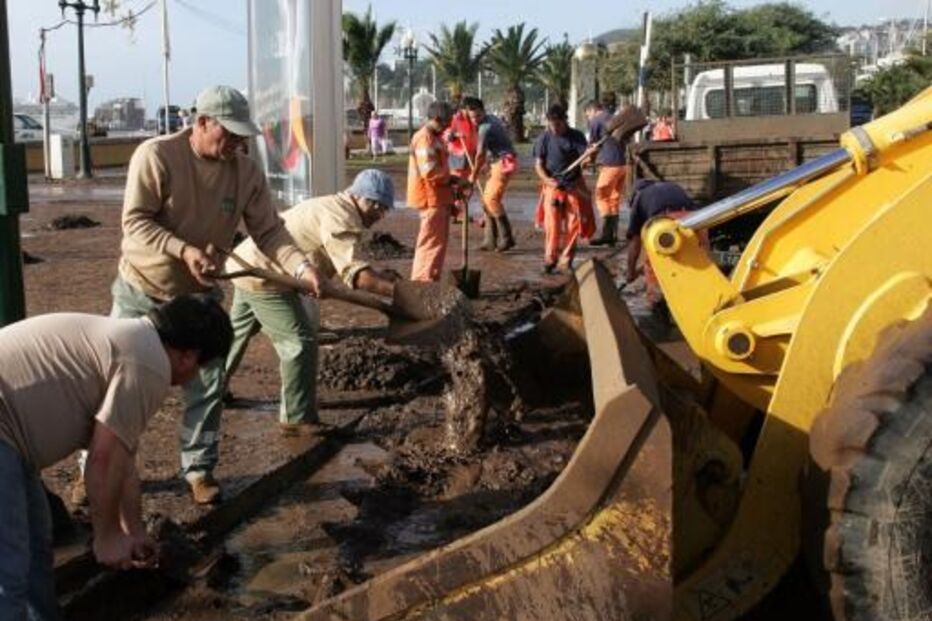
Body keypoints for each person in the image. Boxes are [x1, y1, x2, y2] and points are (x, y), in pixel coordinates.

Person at [95, 84, 324, 506]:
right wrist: (184, 250)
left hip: (198, 298)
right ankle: (96, 472)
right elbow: (136, 222)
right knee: (117, 386)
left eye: (242, 136)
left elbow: (270, 230)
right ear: (201, 122)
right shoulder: (157, 156)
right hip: (141, 289)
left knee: (208, 382)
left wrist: (301, 266)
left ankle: (199, 469)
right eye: (229, 133)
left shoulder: (245, 171)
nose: (236, 144)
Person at [0, 294, 233, 620]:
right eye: (202, 368)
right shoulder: (148, 364)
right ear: (188, 356)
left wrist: (134, 531)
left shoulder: (138, 344)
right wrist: (107, 537)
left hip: (12, 436)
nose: (194, 379)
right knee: (8, 568)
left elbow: (122, 462)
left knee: (36, 547)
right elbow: (103, 459)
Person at [218, 170, 400, 435]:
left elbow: (344, 260)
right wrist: (402, 294)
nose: (380, 215)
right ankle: (297, 418)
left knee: (235, 336)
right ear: (361, 199)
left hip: (248, 264)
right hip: (266, 277)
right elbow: (357, 277)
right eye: (377, 207)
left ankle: (213, 389)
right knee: (300, 342)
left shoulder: (335, 206)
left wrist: (380, 276)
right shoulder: (341, 217)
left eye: (384, 209)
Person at [624, 180, 705, 320]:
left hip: (665, 220)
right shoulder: (672, 186)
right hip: (694, 221)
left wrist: (630, 272)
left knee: (653, 264)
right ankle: (695, 304)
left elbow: (635, 244)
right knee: (693, 263)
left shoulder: (639, 197)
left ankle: (658, 305)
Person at [532, 104, 596, 274]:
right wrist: (547, 180)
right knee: (552, 225)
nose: (555, 128)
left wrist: (591, 155)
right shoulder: (543, 139)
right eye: (551, 125)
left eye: (558, 125)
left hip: (573, 185)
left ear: (564, 121)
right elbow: (538, 165)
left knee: (573, 225)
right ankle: (550, 258)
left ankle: (565, 261)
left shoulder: (576, 137)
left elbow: (584, 161)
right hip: (553, 186)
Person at [408, 100, 465, 282]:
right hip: (430, 199)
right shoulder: (424, 139)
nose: (448, 126)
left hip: (439, 198)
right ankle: (423, 283)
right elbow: (429, 172)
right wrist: (453, 179)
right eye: (447, 122)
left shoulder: (435, 138)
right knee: (431, 244)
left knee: (436, 244)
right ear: (437, 119)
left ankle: (429, 279)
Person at [462, 96, 518, 252]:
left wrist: (473, 175)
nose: (475, 119)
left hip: (504, 162)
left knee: (491, 200)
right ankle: (490, 239)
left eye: (477, 115)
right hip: (497, 161)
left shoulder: (485, 127)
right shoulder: (491, 118)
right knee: (486, 200)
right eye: (471, 116)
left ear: (483, 111)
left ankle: (507, 238)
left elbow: (480, 154)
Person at [584, 100, 626, 247]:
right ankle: (612, 235)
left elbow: (592, 146)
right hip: (623, 164)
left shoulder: (596, 120)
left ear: (592, 110)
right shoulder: (613, 117)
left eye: (587, 115)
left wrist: (586, 161)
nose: (588, 118)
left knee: (600, 195)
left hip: (610, 164)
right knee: (613, 198)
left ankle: (606, 234)